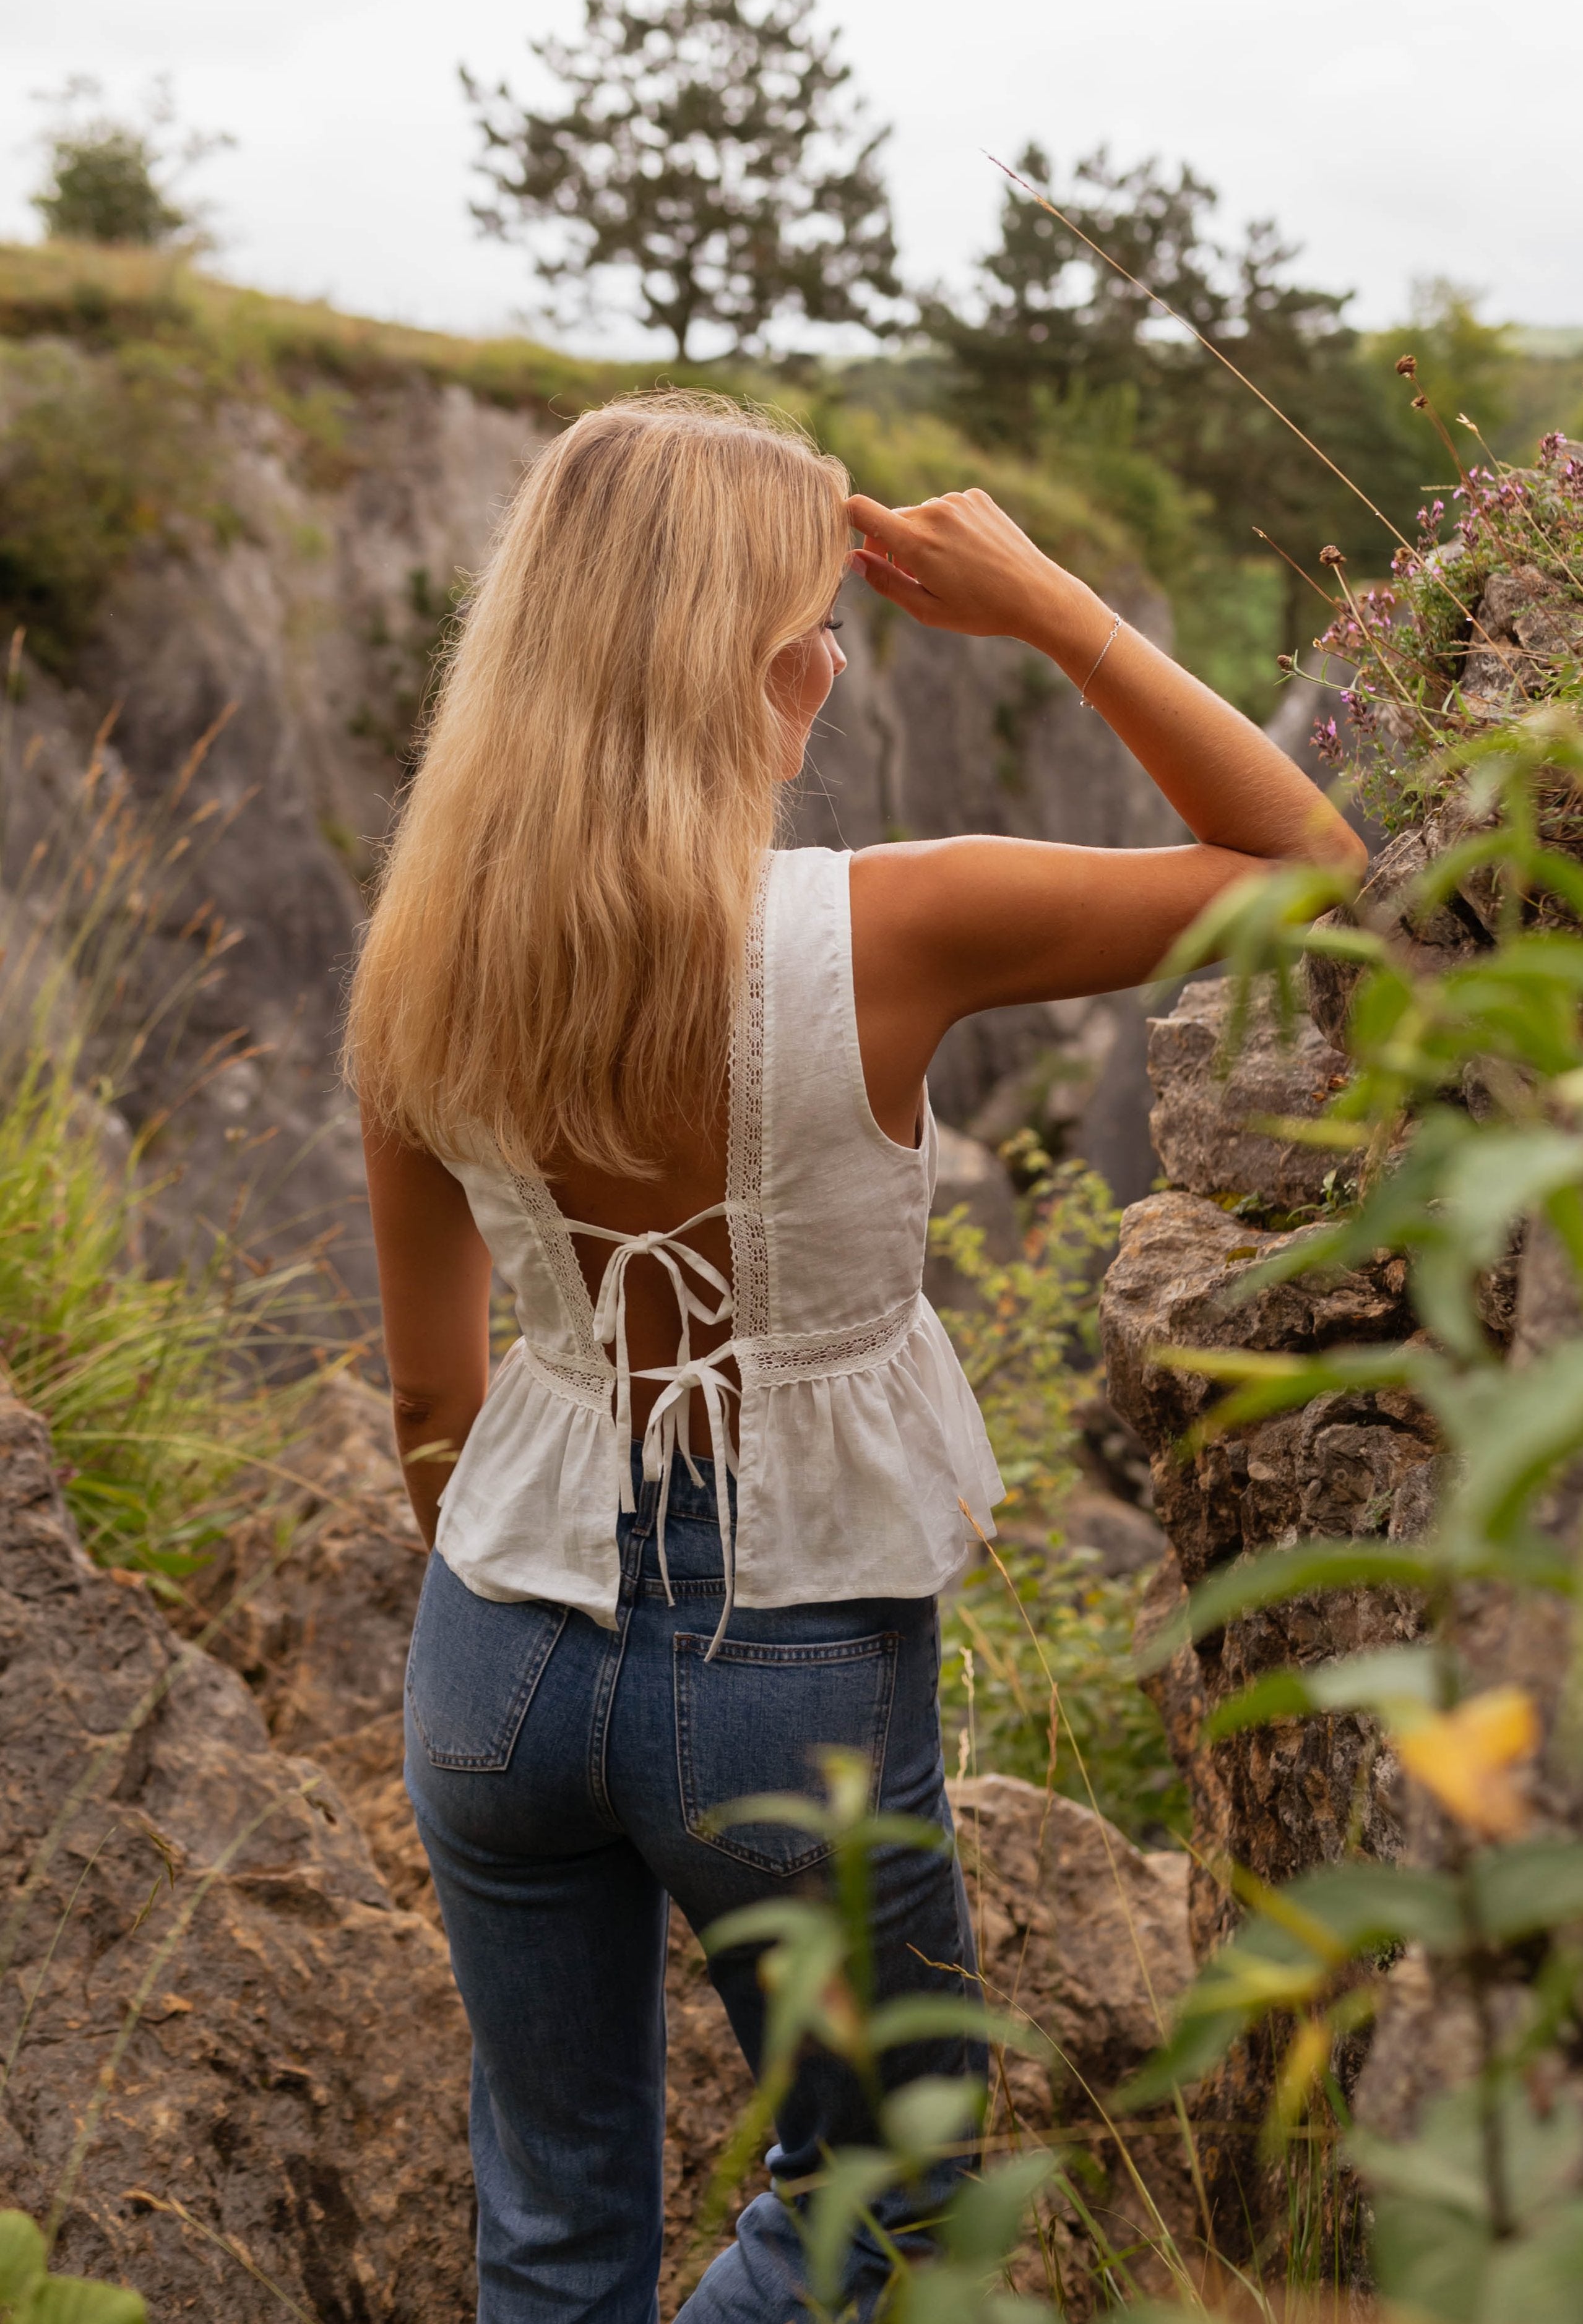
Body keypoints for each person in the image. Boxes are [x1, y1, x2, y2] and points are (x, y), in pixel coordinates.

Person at [346, 390, 1363, 2324]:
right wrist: (1057, 608)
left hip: (495, 1642)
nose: (833, 657)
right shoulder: (891, 929)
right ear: (749, 666)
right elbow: (1313, 856)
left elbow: (429, 1403)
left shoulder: (422, 957)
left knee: (552, 2224)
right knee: (888, 2190)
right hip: (780, 1653)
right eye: (819, 623)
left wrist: (552, 1607)